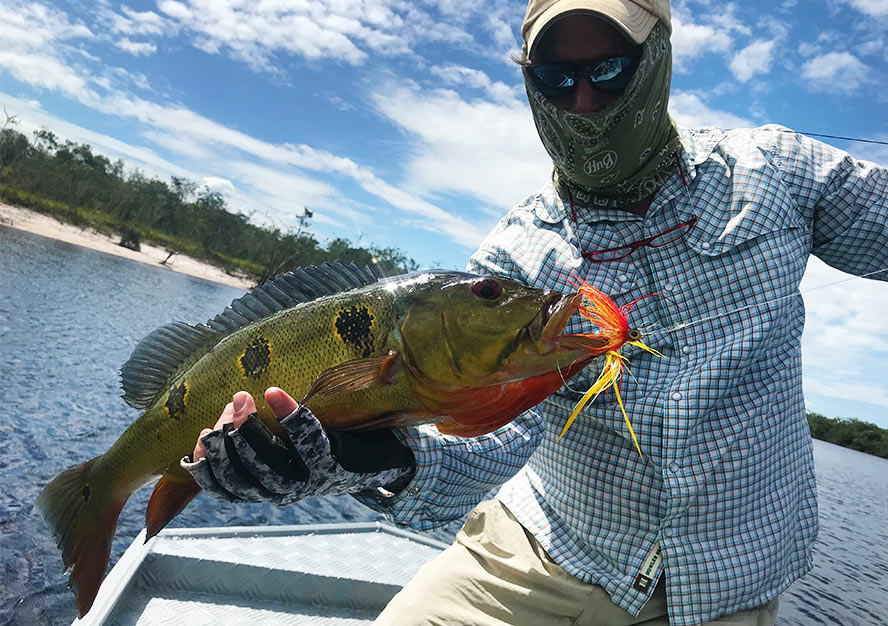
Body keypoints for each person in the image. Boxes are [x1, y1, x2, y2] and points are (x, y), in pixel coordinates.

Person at [181, 1, 888, 624]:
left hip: (727, 590)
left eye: (609, 71)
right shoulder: (510, 263)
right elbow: (492, 435)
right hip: (537, 556)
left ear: (659, 60)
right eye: (555, 78)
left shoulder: (777, 172)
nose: (582, 102)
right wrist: (377, 456)